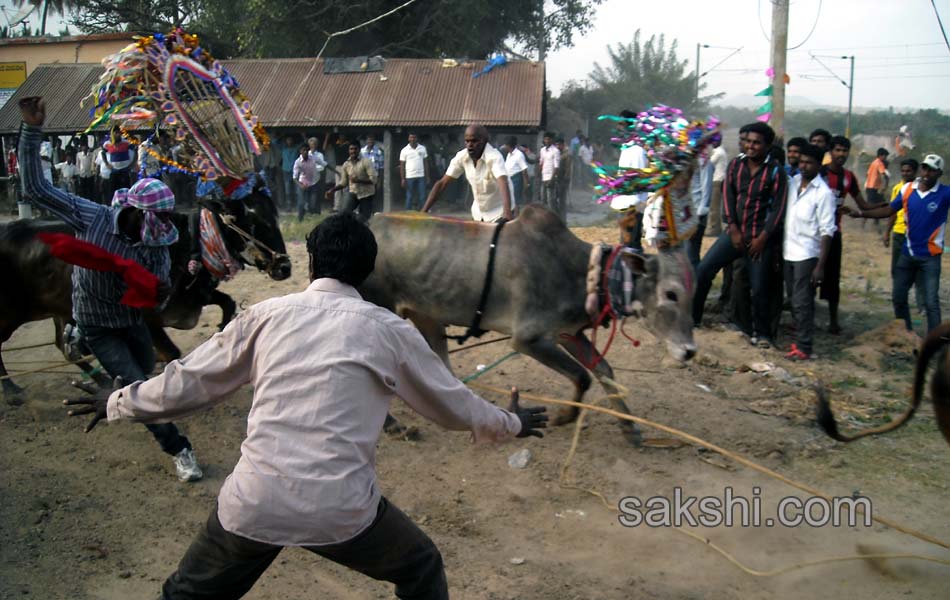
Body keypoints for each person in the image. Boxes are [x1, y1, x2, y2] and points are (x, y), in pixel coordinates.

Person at [64, 213, 548, 600]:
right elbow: (453, 406)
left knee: (184, 593)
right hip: (342, 511)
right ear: (368, 271)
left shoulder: (265, 316)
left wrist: (117, 400)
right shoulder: (390, 332)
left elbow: (188, 383)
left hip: (255, 502)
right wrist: (512, 423)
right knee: (421, 567)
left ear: (312, 263)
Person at [17, 96, 202, 482]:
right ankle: (179, 449)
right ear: (135, 211)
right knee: (138, 388)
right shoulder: (93, 217)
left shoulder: (159, 243)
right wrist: (32, 130)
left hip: (133, 321)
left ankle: (109, 375)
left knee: (145, 375)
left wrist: (164, 287)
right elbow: (35, 189)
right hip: (98, 324)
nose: (165, 224)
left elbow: (160, 294)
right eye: (160, 217)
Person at [691, 122, 787, 348]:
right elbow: (728, 196)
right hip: (734, 233)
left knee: (760, 286)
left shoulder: (775, 171)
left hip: (759, 239)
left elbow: (778, 210)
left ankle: (762, 334)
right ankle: (693, 319)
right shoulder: (736, 165)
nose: (751, 146)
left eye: (756, 143)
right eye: (748, 142)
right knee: (704, 270)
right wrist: (732, 227)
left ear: (767, 145)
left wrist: (762, 238)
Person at [852, 155, 949, 334]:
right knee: (898, 296)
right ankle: (906, 333)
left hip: (930, 257)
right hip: (907, 254)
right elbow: (889, 210)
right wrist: (860, 214)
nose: (926, 173)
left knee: (931, 302)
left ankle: (936, 342)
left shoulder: (945, 193)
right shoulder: (907, 189)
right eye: (925, 168)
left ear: (939, 173)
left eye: (932, 170)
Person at [782, 144, 836, 361]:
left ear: (818, 165)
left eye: (809, 162)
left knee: (803, 302)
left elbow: (827, 231)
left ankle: (805, 346)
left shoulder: (823, 193)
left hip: (807, 254)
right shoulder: (793, 183)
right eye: (802, 161)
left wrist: (820, 266)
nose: (804, 166)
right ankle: (799, 340)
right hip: (788, 251)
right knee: (794, 300)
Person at [818, 135, 870, 334]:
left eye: (844, 150)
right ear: (830, 152)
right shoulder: (819, 173)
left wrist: (890, 207)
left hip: (834, 233)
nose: (841, 154)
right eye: (837, 150)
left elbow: (862, 204)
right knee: (811, 275)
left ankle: (833, 321)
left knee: (832, 277)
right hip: (814, 234)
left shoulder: (849, 177)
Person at [422, 124, 513, 222]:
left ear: (484, 141)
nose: (470, 144)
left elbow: (503, 182)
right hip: (479, 213)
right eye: (467, 141)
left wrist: (507, 213)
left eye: (474, 141)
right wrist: (423, 212)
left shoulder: (494, 157)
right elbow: (442, 184)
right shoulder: (462, 157)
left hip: (499, 212)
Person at [614, 109, 649, 253]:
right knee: (625, 243)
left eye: (622, 124)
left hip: (633, 204)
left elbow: (639, 179)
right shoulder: (627, 148)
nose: (619, 128)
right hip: (625, 202)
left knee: (631, 246)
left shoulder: (637, 150)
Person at [326, 141, 377, 222]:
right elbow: (343, 183)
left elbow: (373, 180)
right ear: (348, 150)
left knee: (363, 219)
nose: (353, 151)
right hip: (353, 193)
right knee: (343, 214)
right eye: (351, 149)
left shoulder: (366, 162)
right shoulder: (346, 164)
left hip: (366, 194)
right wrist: (332, 190)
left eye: (355, 149)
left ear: (359, 150)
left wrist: (358, 180)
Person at [686, 147, 715, 268]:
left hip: (697, 212)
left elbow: (707, 189)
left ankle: (696, 284)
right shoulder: (686, 159)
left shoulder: (704, 161)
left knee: (691, 253)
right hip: (685, 212)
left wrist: (698, 216)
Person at [399, 133, 429, 210]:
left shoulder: (422, 148)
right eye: (411, 137)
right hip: (409, 176)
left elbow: (425, 163)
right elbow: (402, 165)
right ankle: (408, 213)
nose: (412, 139)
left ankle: (423, 212)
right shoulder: (404, 150)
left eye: (414, 137)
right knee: (409, 196)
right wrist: (402, 179)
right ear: (408, 139)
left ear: (417, 138)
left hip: (421, 176)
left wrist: (427, 176)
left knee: (422, 195)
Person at [292, 144, 321, 222]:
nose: (305, 152)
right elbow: (294, 178)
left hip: (313, 183)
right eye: (303, 150)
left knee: (312, 205)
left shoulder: (313, 158)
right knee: (301, 203)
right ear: (300, 151)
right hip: (302, 183)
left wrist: (335, 171)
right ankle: (300, 219)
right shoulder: (297, 162)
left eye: (306, 150)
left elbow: (324, 164)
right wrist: (300, 185)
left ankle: (308, 212)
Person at [706, 137, 728, 236]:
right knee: (716, 205)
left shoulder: (718, 152)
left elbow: (709, 164)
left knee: (714, 206)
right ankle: (716, 228)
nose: (712, 143)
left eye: (714, 141)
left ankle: (713, 229)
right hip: (720, 180)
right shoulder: (721, 151)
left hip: (717, 180)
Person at [502, 136, 528, 207]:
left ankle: (516, 216)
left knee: (515, 201)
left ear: (508, 145)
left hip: (516, 179)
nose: (504, 147)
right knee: (509, 200)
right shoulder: (508, 154)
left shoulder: (519, 155)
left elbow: (524, 170)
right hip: (509, 179)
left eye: (505, 145)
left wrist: (526, 184)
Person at [537, 131, 559, 210]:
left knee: (551, 200)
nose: (547, 141)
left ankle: (552, 216)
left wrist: (552, 179)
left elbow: (556, 167)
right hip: (543, 176)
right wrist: (538, 174)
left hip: (551, 177)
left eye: (549, 139)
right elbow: (541, 162)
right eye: (545, 139)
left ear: (552, 140)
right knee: (543, 199)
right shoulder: (542, 150)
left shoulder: (555, 151)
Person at [306, 136, 328, 214]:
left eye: (315, 144)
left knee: (316, 195)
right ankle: (309, 211)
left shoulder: (320, 155)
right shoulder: (306, 154)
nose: (313, 146)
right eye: (311, 144)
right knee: (308, 195)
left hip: (317, 178)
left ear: (317, 145)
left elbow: (322, 167)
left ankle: (316, 211)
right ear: (309, 145)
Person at [555, 137, 572, 221]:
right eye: (556, 144)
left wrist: (566, 180)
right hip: (555, 180)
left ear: (562, 145)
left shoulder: (566, 155)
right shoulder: (555, 153)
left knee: (562, 201)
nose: (558, 146)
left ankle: (563, 219)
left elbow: (568, 169)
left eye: (559, 145)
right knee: (554, 200)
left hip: (563, 180)